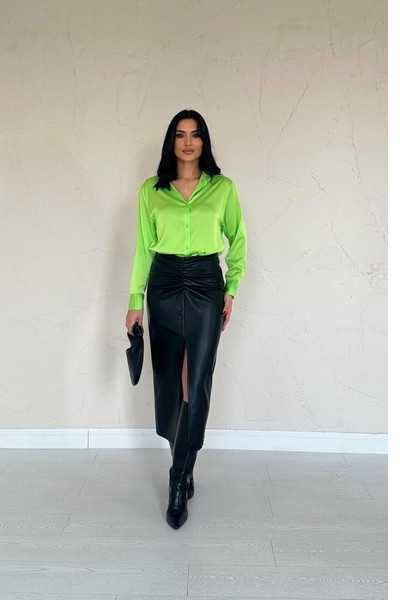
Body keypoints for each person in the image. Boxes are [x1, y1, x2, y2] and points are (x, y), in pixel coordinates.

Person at [126, 109, 247, 529]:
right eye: (180, 135)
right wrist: (134, 300)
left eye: (195, 135)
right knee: (167, 381)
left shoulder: (223, 188)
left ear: (204, 141)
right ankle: (185, 464)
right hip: (162, 284)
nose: (188, 142)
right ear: (172, 142)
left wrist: (230, 289)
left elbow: (238, 240)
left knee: (194, 381)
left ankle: (178, 480)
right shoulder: (151, 190)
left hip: (205, 284)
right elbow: (143, 247)